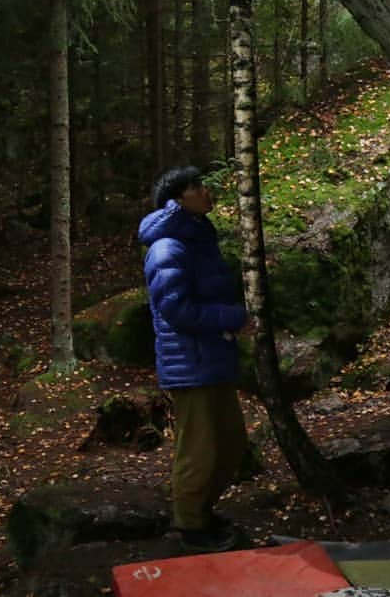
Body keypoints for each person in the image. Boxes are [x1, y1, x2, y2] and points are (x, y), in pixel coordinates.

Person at [138, 165, 248, 553]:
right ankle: (189, 527)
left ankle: (202, 513)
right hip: (190, 364)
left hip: (213, 357)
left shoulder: (198, 239)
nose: (207, 191)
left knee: (231, 443)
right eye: (198, 187)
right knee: (199, 450)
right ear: (178, 199)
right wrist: (237, 318)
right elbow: (177, 309)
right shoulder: (168, 247)